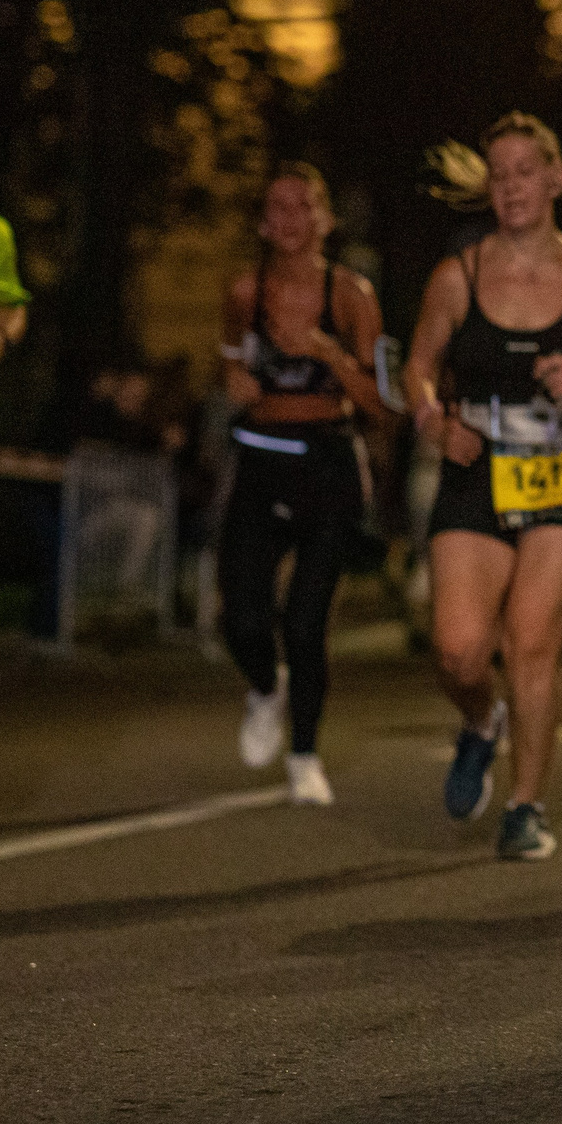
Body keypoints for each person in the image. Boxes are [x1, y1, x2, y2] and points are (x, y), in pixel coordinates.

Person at [402, 114, 562, 861]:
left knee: (531, 637)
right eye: (498, 173)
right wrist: (430, 418)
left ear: (555, 179)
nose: (510, 186)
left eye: (524, 171)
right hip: (477, 471)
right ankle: (482, 722)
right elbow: (416, 365)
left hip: (561, 473)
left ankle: (525, 804)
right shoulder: (459, 276)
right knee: (457, 651)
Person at [215, 163, 386, 805]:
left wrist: (327, 353)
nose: (292, 220)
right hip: (261, 458)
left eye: (305, 207)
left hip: (327, 460)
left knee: (306, 621)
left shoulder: (350, 295)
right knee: (241, 616)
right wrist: (234, 380)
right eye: (278, 209)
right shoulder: (243, 292)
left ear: (326, 219)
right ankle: (264, 688)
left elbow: (379, 402)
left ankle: (305, 755)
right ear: (263, 223)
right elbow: (230, 358)